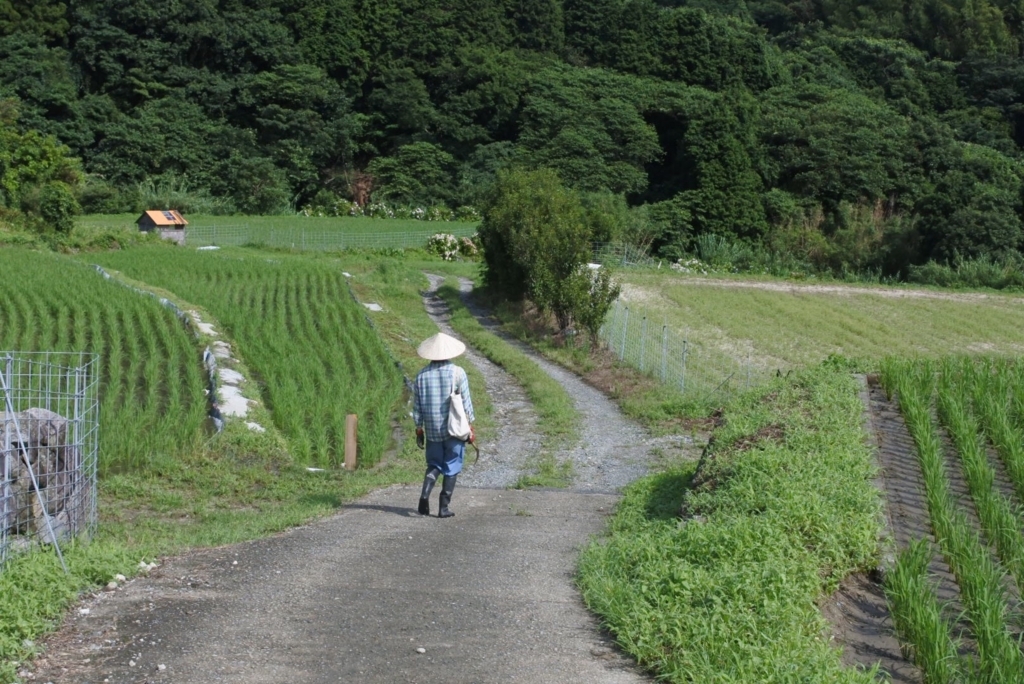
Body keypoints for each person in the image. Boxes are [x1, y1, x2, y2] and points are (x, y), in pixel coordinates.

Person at [413, 332, 475, 518]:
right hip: (454, 430)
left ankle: (425, 495)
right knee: (452, 464)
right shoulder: (458, 373)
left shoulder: (421, 376)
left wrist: (419, 429)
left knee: (434, 464)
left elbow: (417, 408)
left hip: (432, 430)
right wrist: (470, 427)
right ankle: (443, 507)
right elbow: (466, 404)